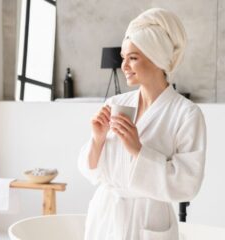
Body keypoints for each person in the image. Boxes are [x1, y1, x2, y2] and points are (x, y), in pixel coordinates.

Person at [78, 8, 207, 240]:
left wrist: (138, 151)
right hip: (106, 217)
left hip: (149, 219)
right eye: (123, 58)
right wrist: (97, 140)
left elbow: (188, 184)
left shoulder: (186, 114)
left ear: (158, 59)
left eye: (133, 58)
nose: (124, 66)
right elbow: (92, 172)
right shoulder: (116, 103)